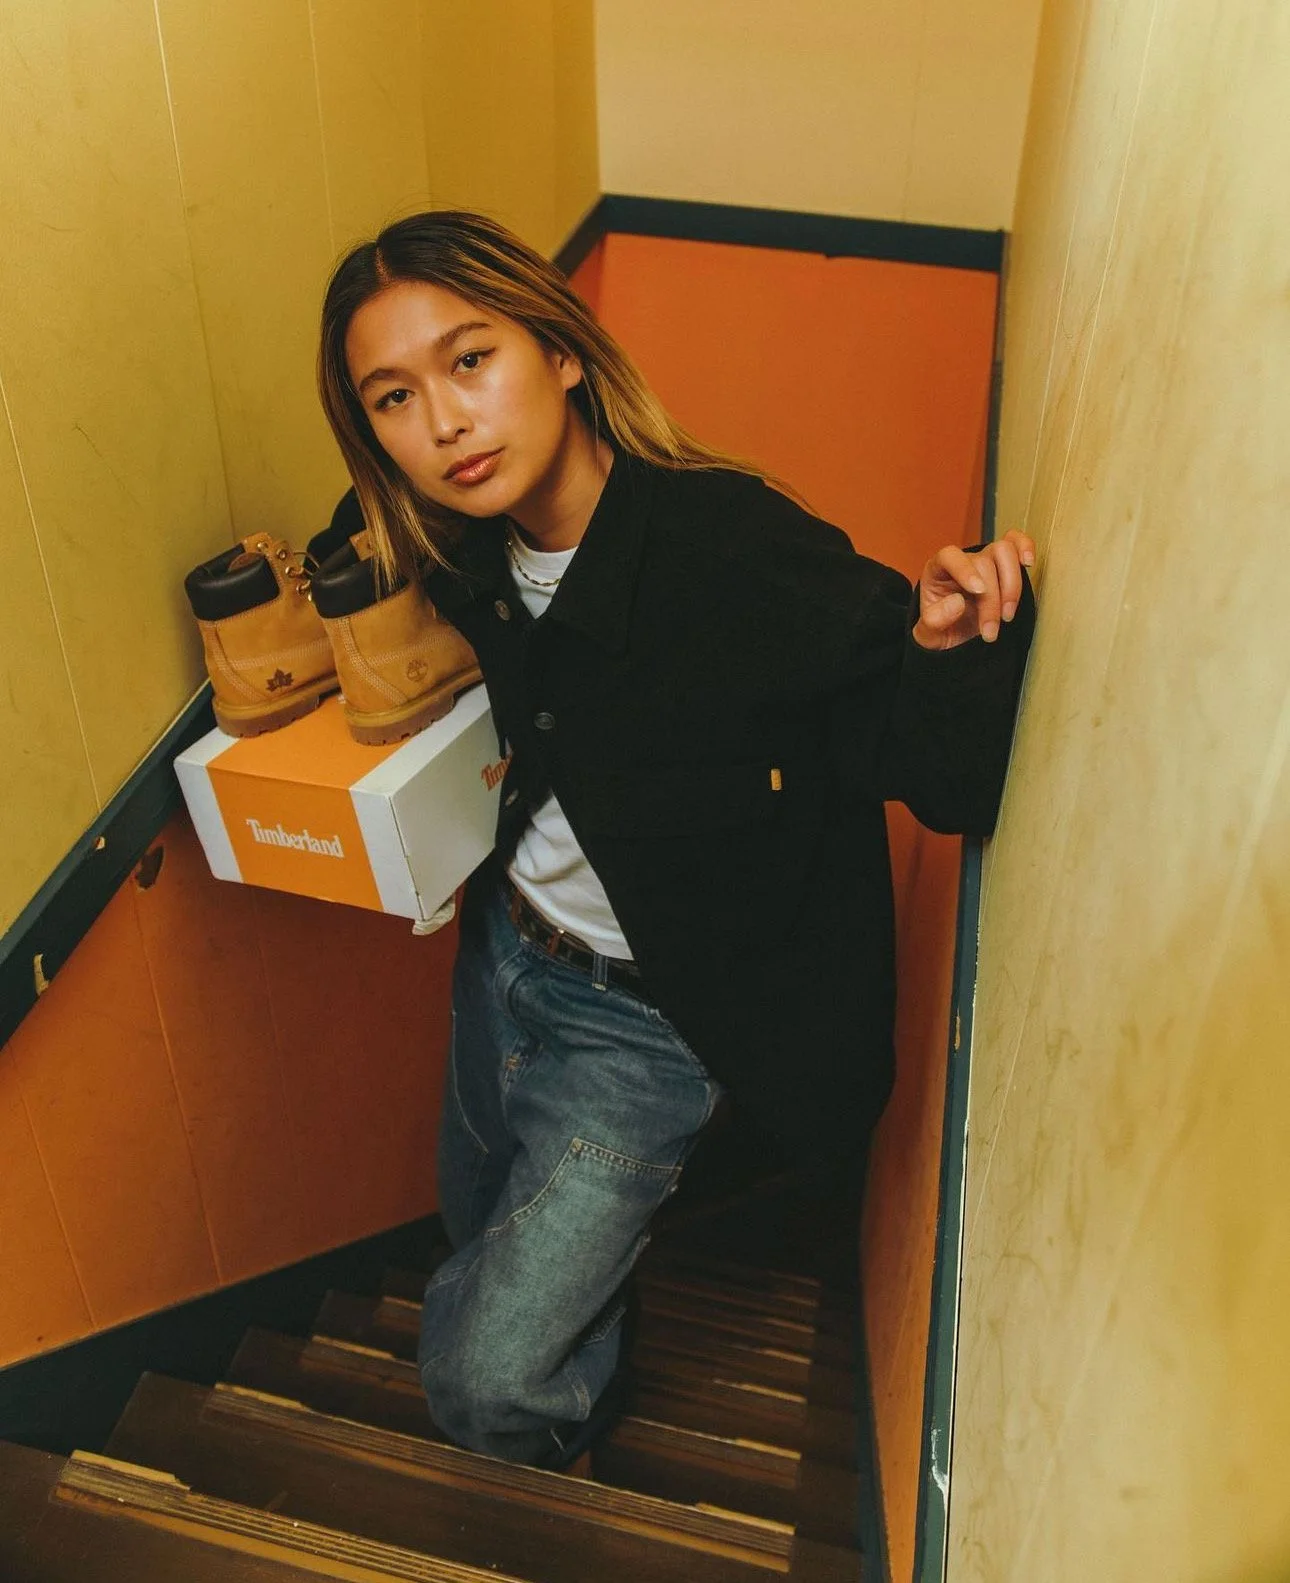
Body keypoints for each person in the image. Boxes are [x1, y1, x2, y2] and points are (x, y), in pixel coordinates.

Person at [316, 210, 1035, 1470]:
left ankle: (572, 1401)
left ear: (562, 352)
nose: (444, 422)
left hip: (646, 1032)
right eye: (394, 396)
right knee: (471, 1221)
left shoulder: (732, 552)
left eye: (470, 359)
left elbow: (938, 775)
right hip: (503, 958)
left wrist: (945, 642)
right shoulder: (457, 543)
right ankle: (574, 1306)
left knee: (487, 1385)